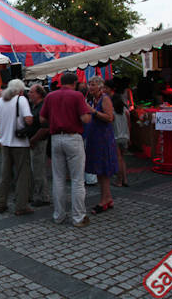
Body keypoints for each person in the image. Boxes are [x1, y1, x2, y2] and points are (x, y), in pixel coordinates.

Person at [40, 72, 92, 228]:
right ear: (74, 83)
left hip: (56, 138)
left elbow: (42, 119)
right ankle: (78, 217)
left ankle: (59, 215)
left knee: (58, 179)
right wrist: (89, 113)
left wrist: (55, 121)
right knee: (77, 180)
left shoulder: (50, 96)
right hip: (73, 137)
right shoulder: (77, 96)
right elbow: (85, 119)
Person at [0, 79, 34, 216]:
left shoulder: (1, 101)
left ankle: (0, 203)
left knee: (5, 175)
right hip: (20, 143)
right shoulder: (21, 100)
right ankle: (21, 206)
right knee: (22, 175)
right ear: (20, 90)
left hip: (5, 142)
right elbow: (28, 119)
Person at [84, 76, 118, 214]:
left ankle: (104, 200)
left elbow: (109, 117)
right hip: (95, 137)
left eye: (93, 85)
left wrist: (93, 111)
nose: (90, 87)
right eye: (89, 84)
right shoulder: (93, 100)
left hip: (103, 138)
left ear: (100, 87)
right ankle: (107, 198)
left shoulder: (105, 99)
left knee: (104, 170)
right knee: (99, 170)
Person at [27, 84, 50, 207]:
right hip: (34, 140)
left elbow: (45, 128)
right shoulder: (34, 106)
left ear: (39, 94)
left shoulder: (42, 107)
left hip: (39, 141)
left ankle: (43, 197)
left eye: (31, 92)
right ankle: (38, 194)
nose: (29, 94)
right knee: (35, 169)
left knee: (38, 170)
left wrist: (33, 139)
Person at [105, 79, 131, 187]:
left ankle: (119, 180)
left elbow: (110, 121)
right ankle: (125, 179)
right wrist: (129, 136)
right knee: (122, 159)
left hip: (115, 136)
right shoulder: (124, 108)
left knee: (118, 158)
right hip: (125, 136)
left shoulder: (111, 109)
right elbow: (129, 122)